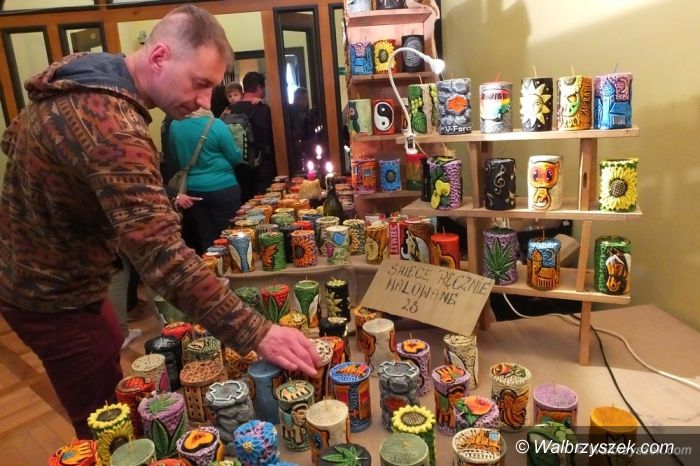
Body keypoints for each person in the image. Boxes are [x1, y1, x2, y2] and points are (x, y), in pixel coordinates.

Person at [0, 5, 319, 440]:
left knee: (109, 352)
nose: (205, 101)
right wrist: (256, 331)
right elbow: (162, 257)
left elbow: (12, 139)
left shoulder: (83, 78)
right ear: (159, 57)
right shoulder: (113, 124)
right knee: (110, 428)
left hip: (50, 280)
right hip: (54, 296)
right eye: (200, 83)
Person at [169, 107, 244, 255]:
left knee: (206, 235)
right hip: (223, 187)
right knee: (230, 233)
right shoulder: (216, 124)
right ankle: (233, 265)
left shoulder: (175, 125)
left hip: (192, 189)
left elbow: (175, 158)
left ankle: (213, 265)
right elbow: (235, 157)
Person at [228, 71, 276, 199]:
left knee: (245, 202)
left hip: (239, 165)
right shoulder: (262, 108)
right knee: (264, 202)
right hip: (261, 164)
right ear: (259, 87)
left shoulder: (231, 109)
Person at [288, 87, 315, 174]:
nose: (306, 101)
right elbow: (307, 132)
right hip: (302, 146)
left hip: (291, 148)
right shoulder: (304, 113)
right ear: (301, 98)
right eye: (306, 98)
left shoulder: (286, 110)